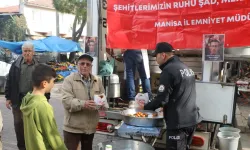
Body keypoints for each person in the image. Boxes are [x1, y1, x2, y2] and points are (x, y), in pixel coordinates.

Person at [140, 42, 202, 150]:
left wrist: (145, 107)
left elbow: (162, 99)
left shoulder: (168, 70)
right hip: (192, 119)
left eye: (156, 56)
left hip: (178, 123)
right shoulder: (186, 68)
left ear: (163, 55)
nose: (156, 59)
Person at [4, 41, 49, 150]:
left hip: (34, 101)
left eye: (29, 51)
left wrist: (46, 99)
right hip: (18, 100)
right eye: (25, 51)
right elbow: (10, 81)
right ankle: (22, 147)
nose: (27, 53)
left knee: (34, 126)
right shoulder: (16, 65)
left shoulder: (39, 66)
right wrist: (8, 97)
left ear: (33, 52)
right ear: (22, 52)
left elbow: (45, 83)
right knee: (19, 126)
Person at [61, 54, 107, 150]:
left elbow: (102, 99)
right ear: (77, 65)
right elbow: (66, 101)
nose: (85, 66)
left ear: (91, 67)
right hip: (73, 127)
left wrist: (102, 106)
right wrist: (84, 104)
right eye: (82, 63)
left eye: (88, 64)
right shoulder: (69, 80)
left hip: (90, 128)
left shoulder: (97, 80)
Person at [20, 64, 67, 150]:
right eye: (53, 82)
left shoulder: (26, 99)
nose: (53, 85)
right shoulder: (43, 106)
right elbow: (53, 136)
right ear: (44, 83)